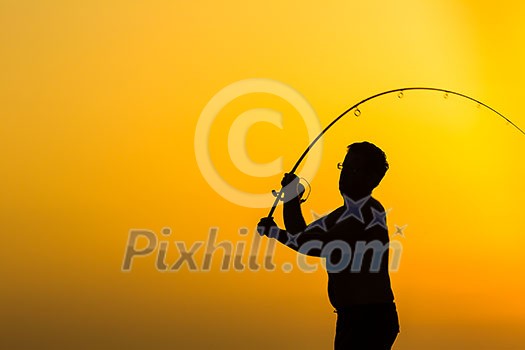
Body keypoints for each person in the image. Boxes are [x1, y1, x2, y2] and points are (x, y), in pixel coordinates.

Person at [258, 141, 399, 350]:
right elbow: (301, 235)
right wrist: (290, 200)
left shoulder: (366, 212)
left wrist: (278, 232)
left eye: (355, 168)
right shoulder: (342, 214)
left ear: (373, 179)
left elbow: (315, 246)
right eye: (345, 166)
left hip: (369, 319)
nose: (346, 173)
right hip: (352, 317)